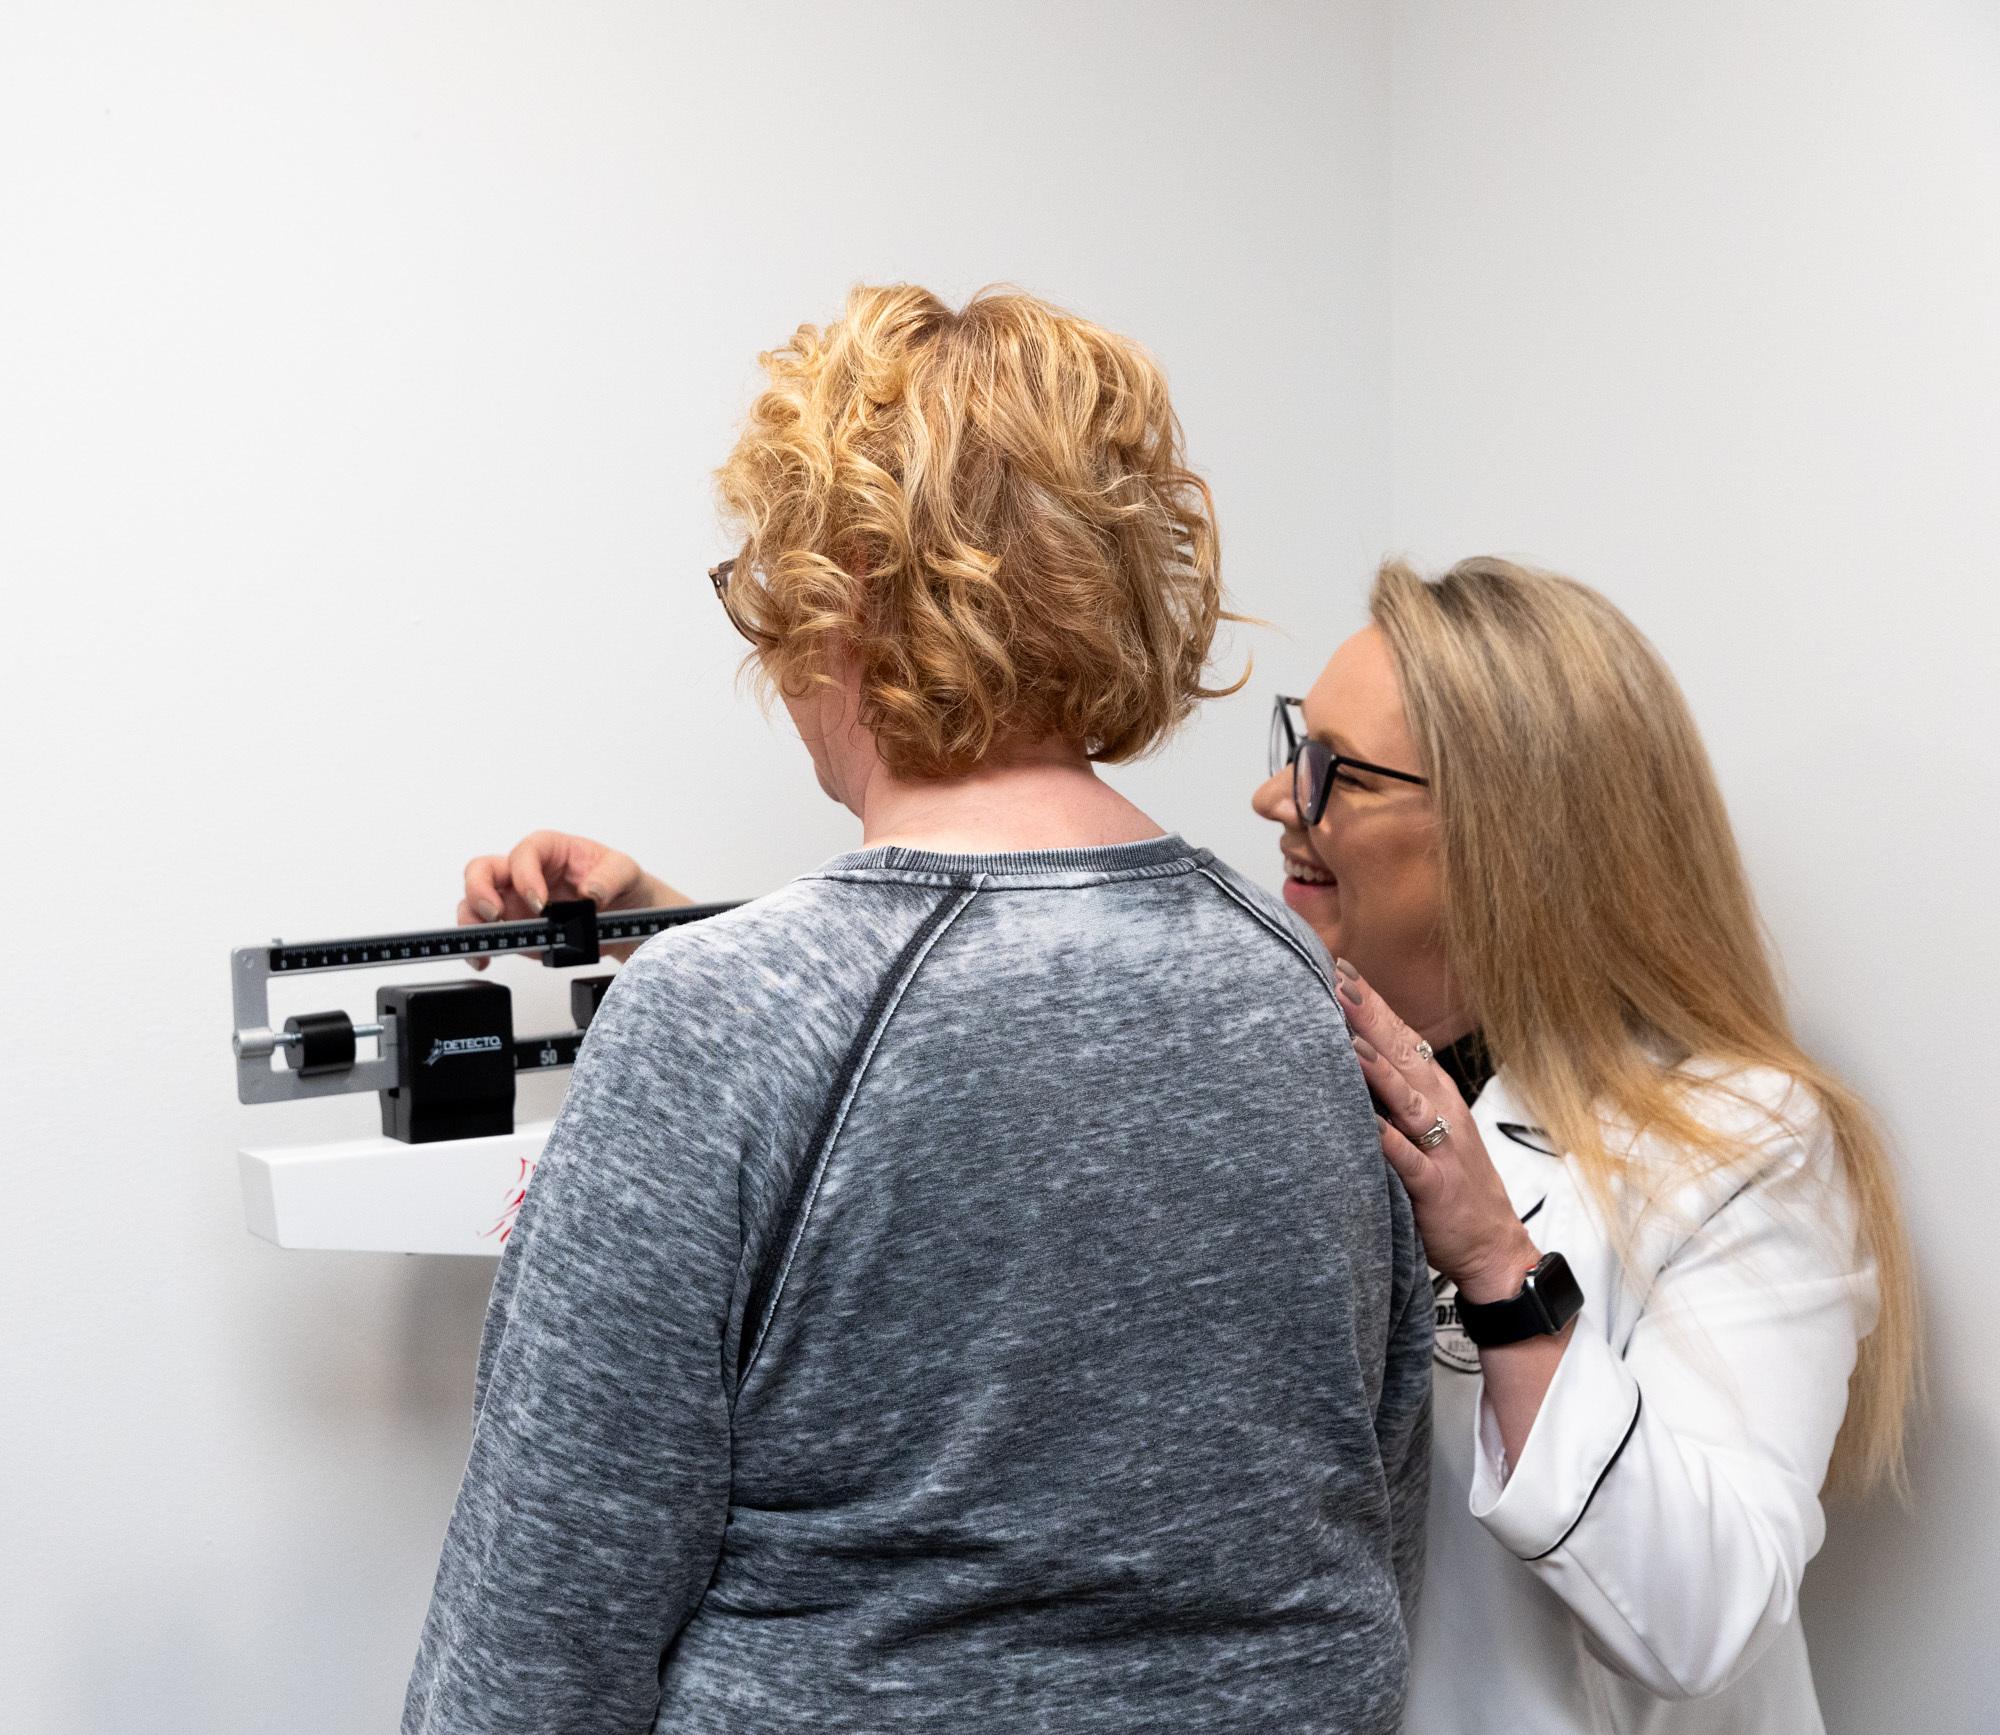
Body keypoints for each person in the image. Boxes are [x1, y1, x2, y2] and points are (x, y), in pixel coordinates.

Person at [500, 555, 1917, 1733]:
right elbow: (973, 1020)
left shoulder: (1742, 1140)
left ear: (1510, 837)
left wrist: (1498, 1266)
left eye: (1337, 772)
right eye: (1293, 744)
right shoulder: (1287, 1037)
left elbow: (1706, 1618)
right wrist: (682, 940)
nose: (1275, 800)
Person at [406, 284, 1432, 1734]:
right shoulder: (1295, 983)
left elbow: (535, 1645)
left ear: (843, 594)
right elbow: (1375, 1514)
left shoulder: (719, 1022)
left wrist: (714, 993)